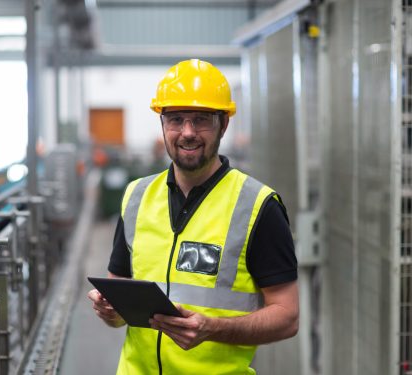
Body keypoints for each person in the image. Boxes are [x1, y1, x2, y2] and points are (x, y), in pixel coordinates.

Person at [87, 59, 299, 375]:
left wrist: (212, 328)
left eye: (200, 120)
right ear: (162, 124)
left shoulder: (257, 206)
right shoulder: (136, 197)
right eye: (176, 119)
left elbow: (287, 316)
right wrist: (109, 309)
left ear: (223, 124)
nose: (187, 132)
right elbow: (120, 294)